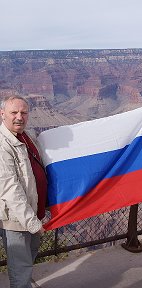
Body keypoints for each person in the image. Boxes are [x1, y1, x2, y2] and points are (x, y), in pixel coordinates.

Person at [0, 96, 47, 287]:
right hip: (16, 220)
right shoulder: (3, 145)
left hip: (33, 213)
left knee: (28, 260)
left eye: (24, 112)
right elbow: (10, 189)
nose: (19, 117)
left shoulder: (26, 137)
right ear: (2, 114)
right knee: (20, 268)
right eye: (14, 112)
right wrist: (32, 223)